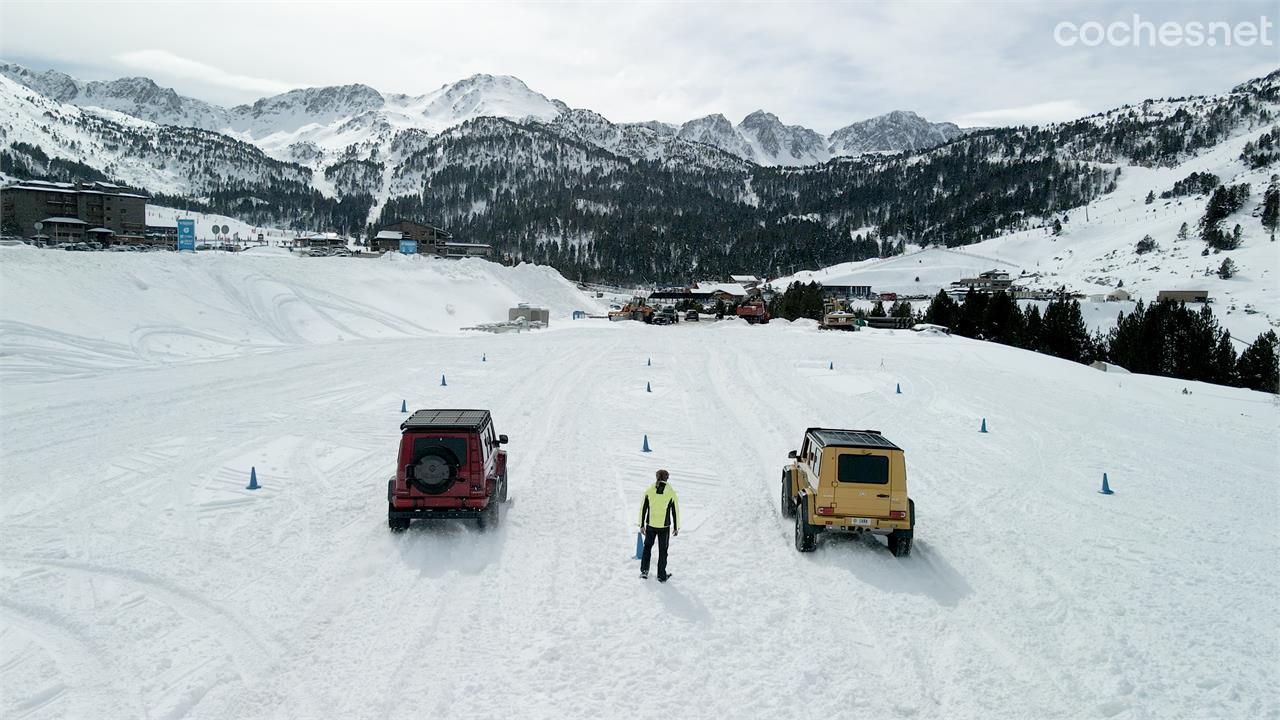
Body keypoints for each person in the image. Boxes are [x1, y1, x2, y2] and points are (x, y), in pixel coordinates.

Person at [638, 469, 679, 581]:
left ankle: (644, 572)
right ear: (667, 478)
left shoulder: (650, 489)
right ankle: (661, 575)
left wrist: (641, 525)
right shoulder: (671, 491)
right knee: (663, 551)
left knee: (647, 548)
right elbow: (675, 510)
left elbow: (643, 508)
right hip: (664, 527)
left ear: (656, 477)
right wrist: (676, 527)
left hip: (650, 525)